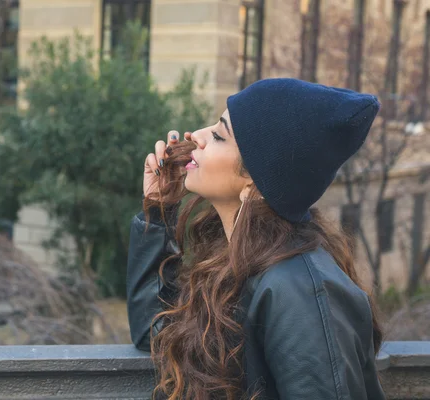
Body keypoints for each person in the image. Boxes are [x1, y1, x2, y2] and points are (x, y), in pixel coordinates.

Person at [126, 78, 386, 399]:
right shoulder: (234, 259)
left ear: (255, 185)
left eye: (220, 135)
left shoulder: (300, 292)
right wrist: (158, 213)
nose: (198, 135)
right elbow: (159, 335)